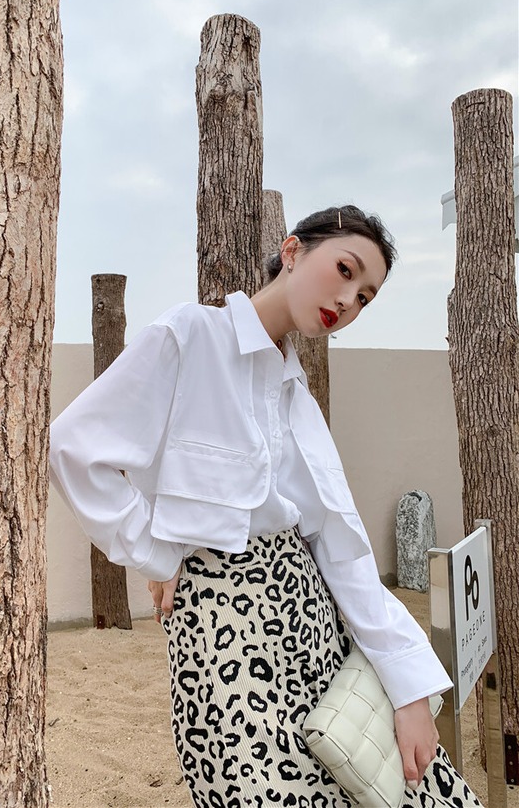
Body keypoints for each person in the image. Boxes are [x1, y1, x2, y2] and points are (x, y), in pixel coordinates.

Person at [49, 205, 482, 808]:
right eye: (345, 270)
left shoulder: (295, 391)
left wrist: (408, 691)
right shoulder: (191, 335)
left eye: (365, 298)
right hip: (222, 637)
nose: (348, 301)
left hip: (313, 622)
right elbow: (75, 449)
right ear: (292, 251)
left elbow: (340, 545)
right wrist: (159, 553)